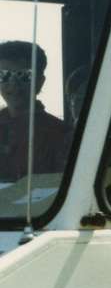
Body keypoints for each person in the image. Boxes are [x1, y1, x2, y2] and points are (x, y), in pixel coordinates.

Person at [0, 40, 73, 182]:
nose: (14, 84)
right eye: (4, 75)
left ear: (40, 81)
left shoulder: (63, 135)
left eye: (24, 75)